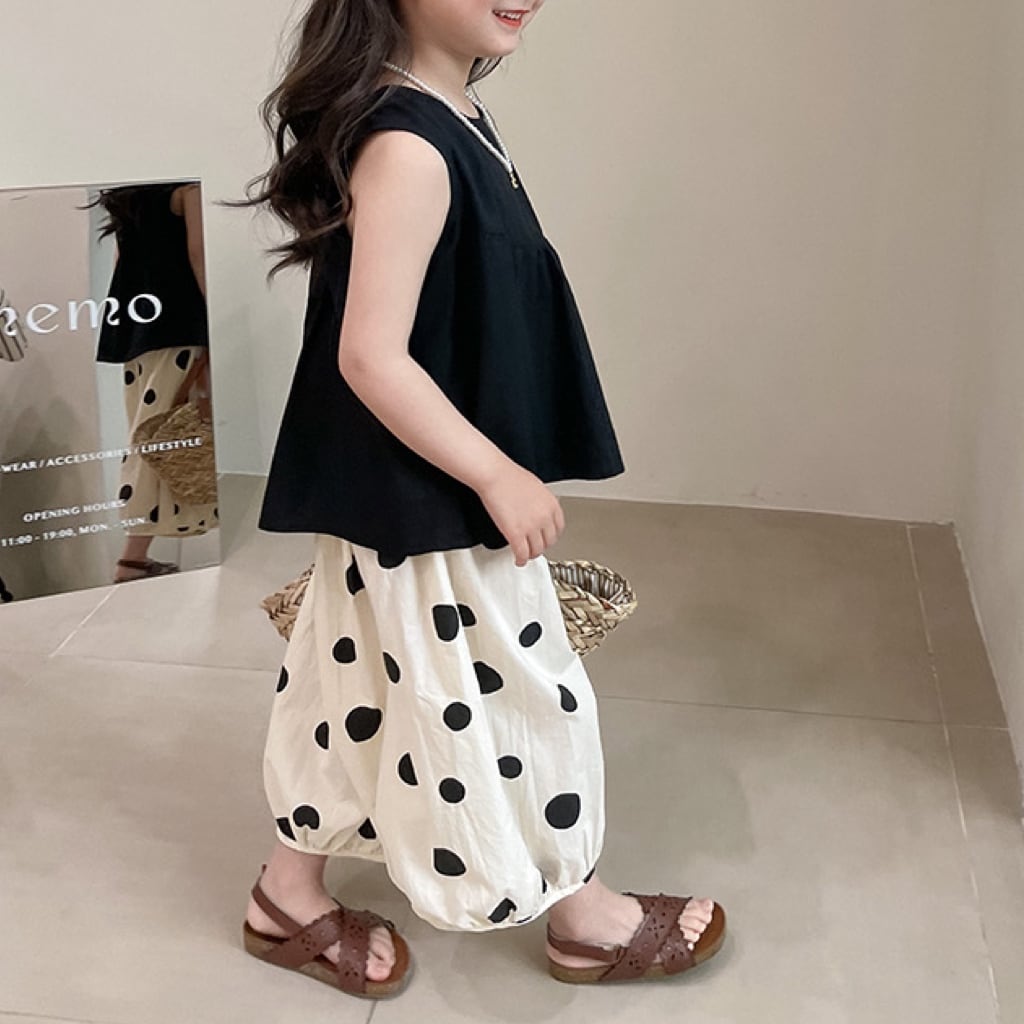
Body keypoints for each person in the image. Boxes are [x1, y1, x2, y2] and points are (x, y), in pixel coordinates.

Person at [237, 0, 725, 999]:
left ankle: (286, 893)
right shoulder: (412, 147)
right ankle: (582, 915)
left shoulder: (446, 114)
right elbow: (371, 355)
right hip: (430, 497)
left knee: (355, 686)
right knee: (513, 689)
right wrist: (496, 474)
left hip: (402, 488)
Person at [93, 183, 219, 583]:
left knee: (152, 433)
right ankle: (130, 561)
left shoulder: (127, 191)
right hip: (178, 324)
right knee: (159, 440)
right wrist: (216, 317)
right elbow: (198, 254)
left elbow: (121, 259)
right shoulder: (184, 188)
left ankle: (134, 558)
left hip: (138, 327)